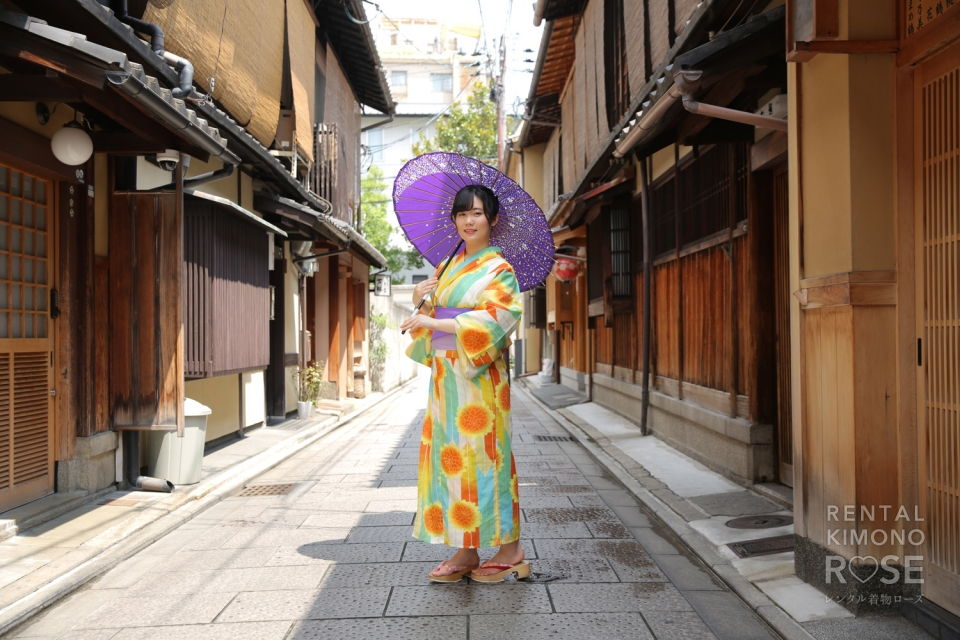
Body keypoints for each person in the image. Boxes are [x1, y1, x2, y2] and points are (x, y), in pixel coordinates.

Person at [400, 184, 528, 583]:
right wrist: (421, 296)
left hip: (479, 382)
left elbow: (498, 319)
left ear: (492, 219)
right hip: (446, 381)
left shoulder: (499, 270)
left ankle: (511, 549)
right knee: (451, 463)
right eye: (461, 214)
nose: (468, 221)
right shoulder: (449, 265)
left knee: (486, 459)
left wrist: (434, 321)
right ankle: (466, 549)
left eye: (476, 213)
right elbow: (430, 322)